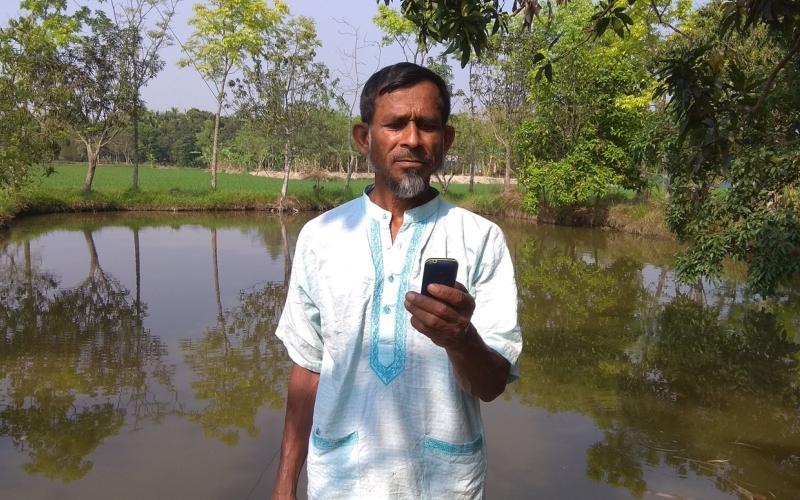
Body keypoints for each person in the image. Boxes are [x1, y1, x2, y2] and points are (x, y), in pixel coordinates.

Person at [271, 62, 521, 500]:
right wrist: (285, 483)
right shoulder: (321, 237)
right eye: (394, 124)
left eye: (427, 125)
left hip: (441, 483)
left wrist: (461, 340)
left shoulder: (482, 239)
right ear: (364, 138)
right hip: (341, 480)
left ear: (446, 140)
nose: (411, 139)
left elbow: (492, 385)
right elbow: (308, 368)